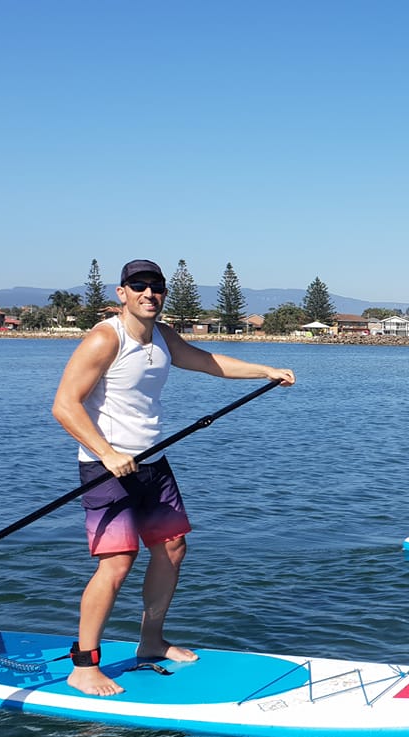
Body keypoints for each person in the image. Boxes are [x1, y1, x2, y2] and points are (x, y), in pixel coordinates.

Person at [51, 259, 295, 696]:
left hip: (153, 463)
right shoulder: (106, 338)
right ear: (121, 293)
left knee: (172, 547)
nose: (149, 293)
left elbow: (206, 361)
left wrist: (266, 371)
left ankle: (150, 641)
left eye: (157, 286)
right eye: (139, 286)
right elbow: (65, 405)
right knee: (118, 563)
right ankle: (84, 664)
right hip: (105, 468)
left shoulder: (162, 336)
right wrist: (107, 454)